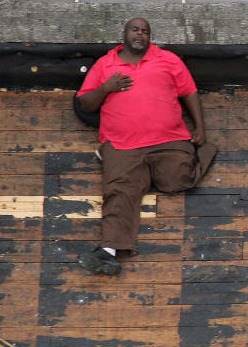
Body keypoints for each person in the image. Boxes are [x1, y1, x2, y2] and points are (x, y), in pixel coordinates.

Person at [75, 18, 217, 275]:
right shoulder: (106, 64)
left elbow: (189, 92)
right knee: (119, 192)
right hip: (123, 145)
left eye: (145, 31)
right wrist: (106, 88)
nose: (140, 34)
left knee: (179, 180)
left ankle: (146, 174)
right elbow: (85, 104)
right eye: (135, 30)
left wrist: (200, 128)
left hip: (168, 140)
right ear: (124, 34)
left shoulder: (168, 60)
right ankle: (108, 252)